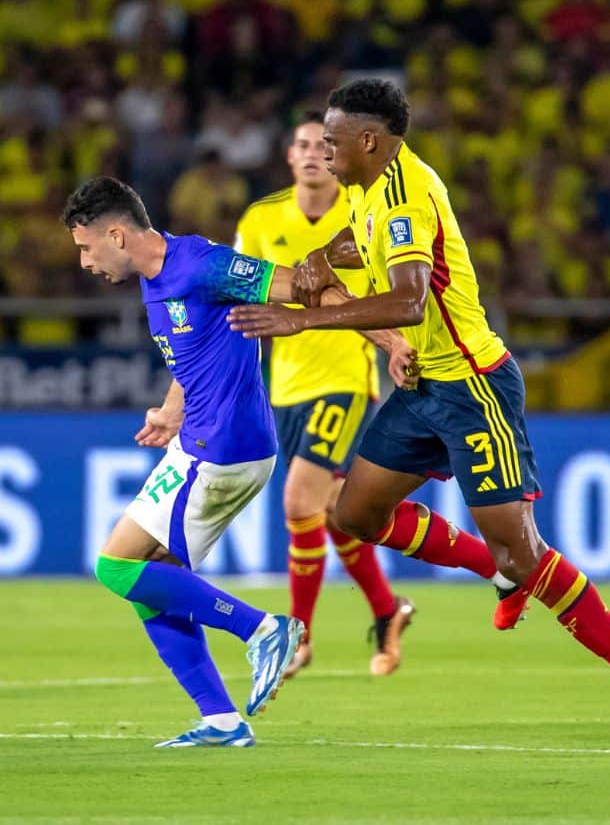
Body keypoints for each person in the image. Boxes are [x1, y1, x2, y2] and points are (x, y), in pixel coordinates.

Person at [227, 79, 610, 755]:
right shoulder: (370, 192)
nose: (322, 150)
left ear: (368, 140)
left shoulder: (407, 195)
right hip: (423, 388)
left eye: (331, 139)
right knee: (351, 516)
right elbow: (364, 244)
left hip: (474, 387)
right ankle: (498, 572)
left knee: (524, 551)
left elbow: (410, 300)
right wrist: (324, 259)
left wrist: (303, 318)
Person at [64, 176, 415, 747]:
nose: (84, 262)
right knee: (152, 584)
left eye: (86, 247)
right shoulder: (156, 280)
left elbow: (305, 288)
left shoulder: (203, 264)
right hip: (201, 439)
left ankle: (265, 629)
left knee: (116, 568)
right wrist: (170, 410)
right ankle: (223, 721)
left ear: (116, 235)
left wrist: (391, 342)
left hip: (225, 447)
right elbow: (191, 356)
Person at [235, 112, 519, 678]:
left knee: (298, 502)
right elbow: (243, 292)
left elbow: (359, 301)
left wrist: (389, 344)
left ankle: (299, 638)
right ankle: (400, 606)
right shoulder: (262, 219)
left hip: (344, 379)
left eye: (324, 144)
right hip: (286, 385)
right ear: (289, 156)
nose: (316, 153)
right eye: (303, 144)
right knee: (340, 513)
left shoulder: (364, 206)